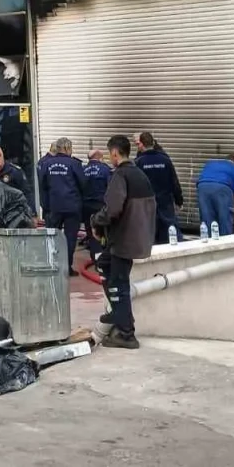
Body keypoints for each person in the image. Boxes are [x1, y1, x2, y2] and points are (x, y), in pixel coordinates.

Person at [91, 134, 156, 349]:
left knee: (118, 284)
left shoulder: (120, 175)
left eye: (111, 154)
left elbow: (113, 209)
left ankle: (126, 333)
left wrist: (95, 221)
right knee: (104, 265)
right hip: (138, 237)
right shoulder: (139, 174)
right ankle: (119, 314)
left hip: (124, 240)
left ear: (115, 153)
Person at [38, 137, 86, 276]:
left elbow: (43, 186)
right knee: (70, 238)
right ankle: (67, 268)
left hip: (54, 207)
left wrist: (45, 206)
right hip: (72, 207)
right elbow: (83, 184)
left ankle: (52, 264)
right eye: (70, 148)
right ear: (66, 149)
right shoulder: (74, 164)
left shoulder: (46, 164)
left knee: (52, 237)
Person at [134, 131, 183, 245]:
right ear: (153, 142)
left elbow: (135, 185)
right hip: (165, 204)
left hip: (146, 205)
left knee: (149, 237)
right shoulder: (165, 160)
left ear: (141, 144)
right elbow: (174, 181)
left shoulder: (138, 162)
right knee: (170, 235)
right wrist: (179, 200)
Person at [196, 153, 234, 236]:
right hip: (222, 188)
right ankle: (224, 243)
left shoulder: (211, 164)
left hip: (202, 187)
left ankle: (207, 243)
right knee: (225, 219)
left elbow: (201, 178)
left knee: (206, 219)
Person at [81, 148, 113, 264]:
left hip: (86, 207)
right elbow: (110, 187)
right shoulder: (105, 169)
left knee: (91, 233)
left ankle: (95, 258)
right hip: (101, 206)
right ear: (100, 157)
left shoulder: (82, 170)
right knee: (104, 232)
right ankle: (105, 258)